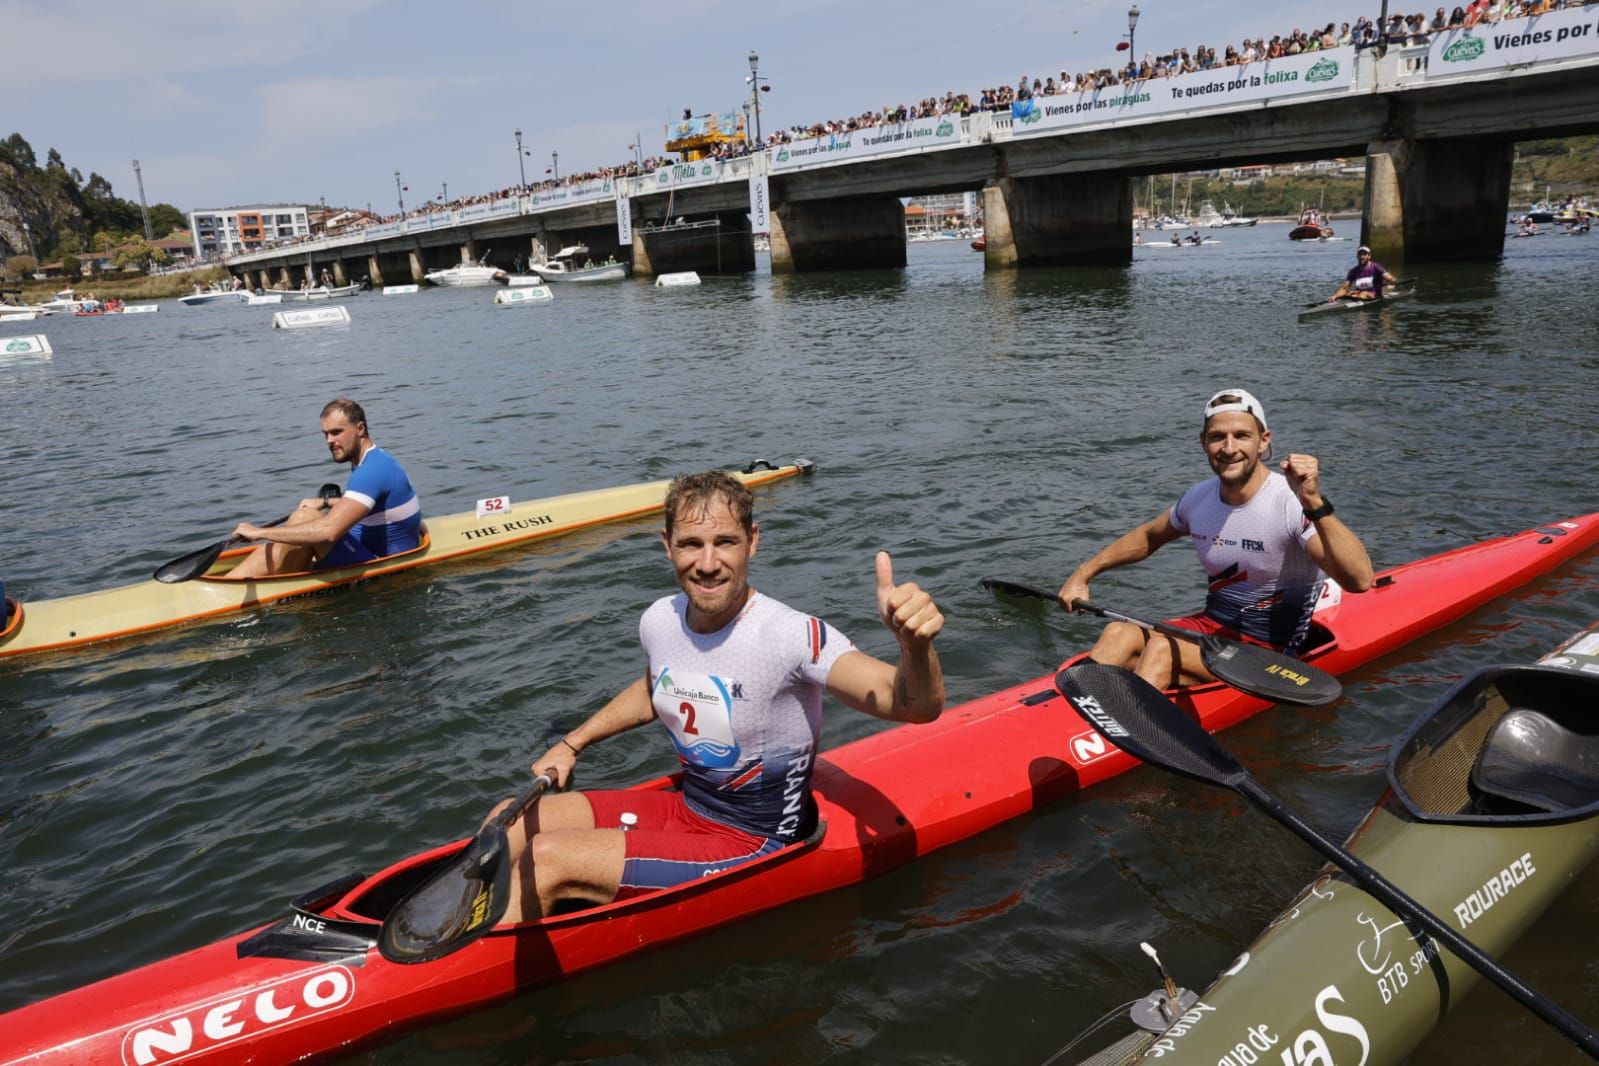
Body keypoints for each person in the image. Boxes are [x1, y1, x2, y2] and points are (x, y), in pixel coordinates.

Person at [488, 469, 946, 921]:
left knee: (547, 858)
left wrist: (914, 645)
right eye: (691, 544)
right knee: (509, 820)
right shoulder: (659, 620)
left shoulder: (791, 635)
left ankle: (465, 973)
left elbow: (912, 704)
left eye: (724, 542)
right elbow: (655, 687)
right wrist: (573, 744)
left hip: (757, 841)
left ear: (753, 541)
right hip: (690, 806)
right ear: (667, 545)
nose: (707, 564)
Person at [1056, 389, 1373, 690]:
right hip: (1213, 629)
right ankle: (1075, 723)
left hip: (1271, 653)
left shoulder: (1289, 503)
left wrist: (1315, 502)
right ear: (1203, 443)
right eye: (1217, 437)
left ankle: (1128, 729)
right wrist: (1083, 573)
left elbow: (1360, 580)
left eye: (1242, 436)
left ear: (1264, 442)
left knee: (1162, 651)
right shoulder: (1200, 498)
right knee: (1118, 633)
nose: (1229, 447)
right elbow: (1148, 537)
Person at [227, 398, 422, 578]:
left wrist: (258, 532)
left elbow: (330, 531)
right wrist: (325, 502)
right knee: (277, 545)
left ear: (360, 429)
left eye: (336, 432)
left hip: (385, 568)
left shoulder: (371, 472)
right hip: (364, 548)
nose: (329, 440)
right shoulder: (376, 460)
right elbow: (369, 502)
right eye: (326, 434)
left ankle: (250, 590)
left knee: (303, 518)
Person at [1328, 245, 1398, 302]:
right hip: (1359, 295)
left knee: (1363, 293)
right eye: (1360, 254)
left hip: (1374, 295)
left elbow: (1390, 278)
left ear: (1369, 256)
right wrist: (1335, 296)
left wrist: (1391, 283)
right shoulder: (1353, 271)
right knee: (1346, 293)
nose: (1362, 257)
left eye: (1364, 254)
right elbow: (1344, 288)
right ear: (1357, 256)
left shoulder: (1376, 267)